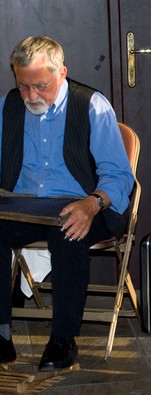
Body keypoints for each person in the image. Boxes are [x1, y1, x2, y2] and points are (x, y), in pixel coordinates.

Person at [0, 36, 134, 371]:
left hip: (88, 202)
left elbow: (119, 176)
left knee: (68, 232)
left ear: (61, 73)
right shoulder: (8, 106)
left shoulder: (91, 106)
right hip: (25, 205)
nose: (31, 96)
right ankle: (1, 336)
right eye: (23, 86)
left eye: (40, 86)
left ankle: (63, 340)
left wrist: (92, 203)